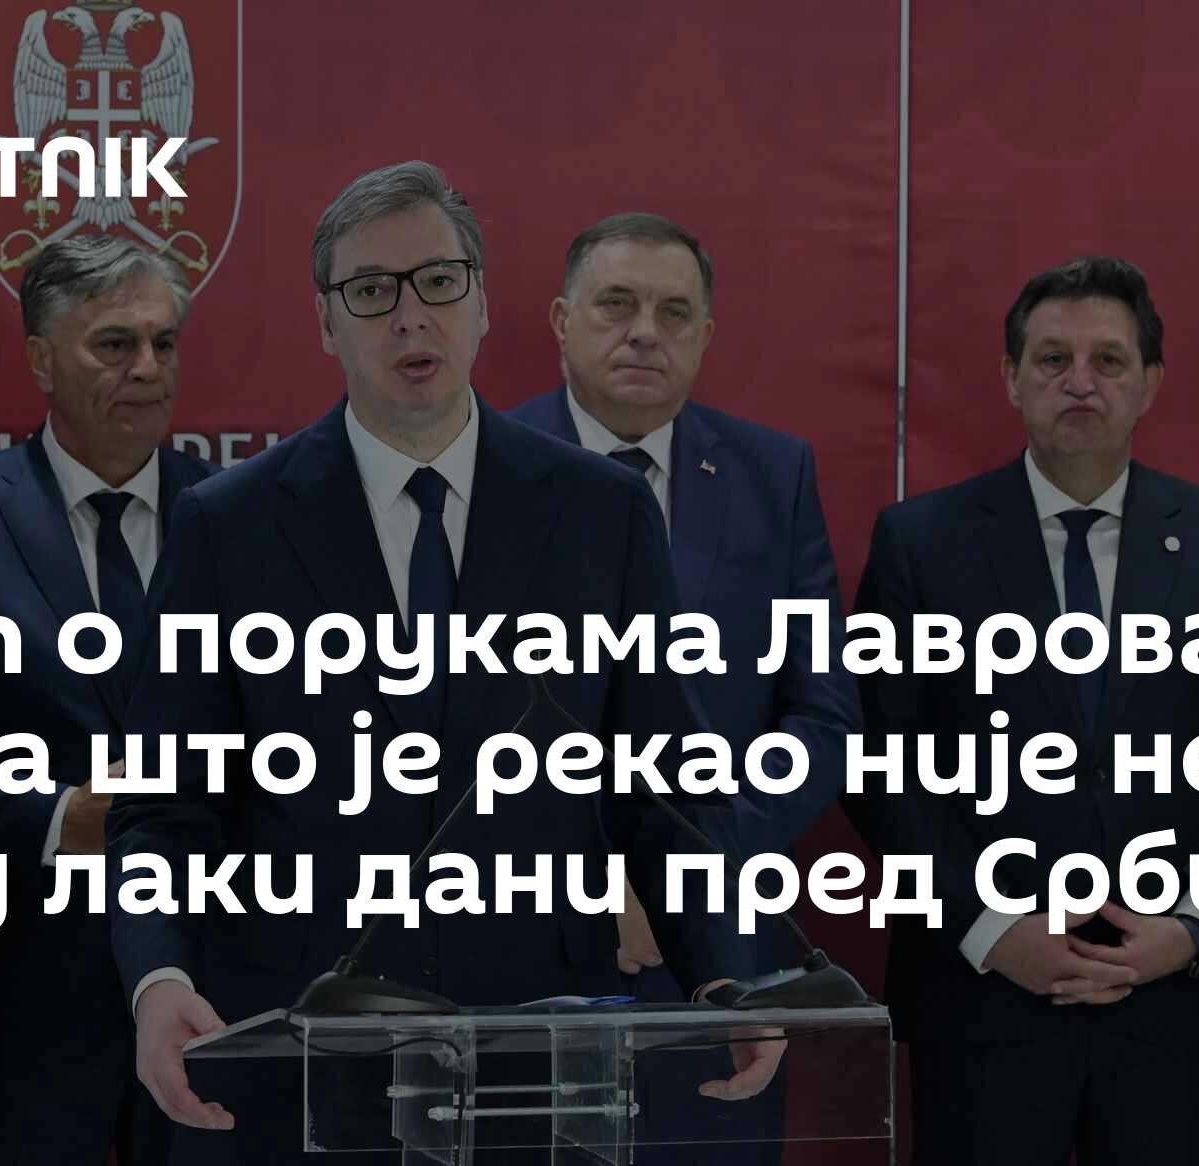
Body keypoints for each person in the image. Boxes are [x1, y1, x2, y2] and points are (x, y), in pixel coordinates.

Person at [105, 160, 779, 1165]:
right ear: (325, 321)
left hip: (535, 1045)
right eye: (371, 290)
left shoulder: (599, 512)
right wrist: (158, 980)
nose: (409, 315)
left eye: (437, 281)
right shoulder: (227, 525)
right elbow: (164, 806)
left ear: (482, 303)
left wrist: (723, 968)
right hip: (297, 1046)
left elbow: (665, 786)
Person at [847, 256, 1199, 1164]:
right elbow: (876, 763)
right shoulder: (921, 543)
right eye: (1053, 359)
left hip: (1172, 1002)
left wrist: (1194, 924)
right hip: (984, 998)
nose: (1080, 382)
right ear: (1011, 378)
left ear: (1150, 383)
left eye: (1109, 360)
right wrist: (991, 928)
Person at [510, 211, 861, 1162]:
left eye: (673, 313)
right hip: (523, 947)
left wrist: (691, 869)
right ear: (561, 321)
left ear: (705, 335)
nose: (644, 332)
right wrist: (585, 878)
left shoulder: (772, 474)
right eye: (616, 305)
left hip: (719, 952)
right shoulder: (482, 465)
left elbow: (822, 713)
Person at [0, 235, 212, 1165]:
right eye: (114, 344)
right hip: (18, 1009)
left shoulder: (234, 512)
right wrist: (65, 817)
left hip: (210, 998)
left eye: (164, 343)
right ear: (39, 357)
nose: (147, 368)